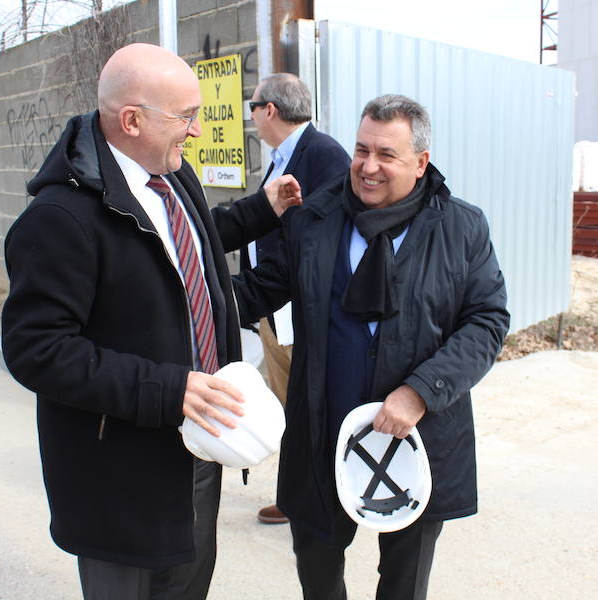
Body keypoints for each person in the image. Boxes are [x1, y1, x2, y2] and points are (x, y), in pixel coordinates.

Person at [1, 43, 299, 600]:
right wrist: (168, 390)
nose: (196, 132)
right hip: (122, 481)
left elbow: (185, 243)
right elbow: (35, 350)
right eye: (185, 117)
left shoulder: (171, 175)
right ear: (131, 121)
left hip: (198, 449)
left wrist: (261, 209)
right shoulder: (59, 220)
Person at [233, 94, 510, 599]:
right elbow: (255, 291)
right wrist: (175, 290)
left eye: (387, 154)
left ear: (421, 162)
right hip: (322, 433)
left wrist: (421, 391)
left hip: (417, 438)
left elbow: (487, 321)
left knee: (403, 586)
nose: (368, 166)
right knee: (317, 574)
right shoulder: (312, 219)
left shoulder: (461, 228)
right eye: (361, 150)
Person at [240, 73, 351, 525]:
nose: (251, 118)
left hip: (295, 309)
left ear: (269, 110)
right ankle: (299, 494)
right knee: (289, 407)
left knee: (305, 408)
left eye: (252, 108)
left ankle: (312, 499)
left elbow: (324, 238)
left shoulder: (323, 156)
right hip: (274, 308)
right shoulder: (284, 157)